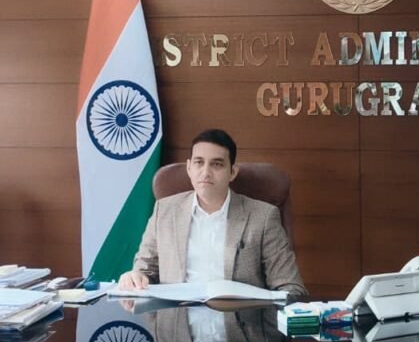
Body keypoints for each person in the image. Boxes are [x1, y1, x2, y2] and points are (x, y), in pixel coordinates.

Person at [118, 129, 307, 301]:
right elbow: (145, 269)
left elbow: (291, 287)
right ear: (189, 168)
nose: (206, 172)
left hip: (241, 321)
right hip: (177, 319)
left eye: (217, 164)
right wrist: (136, 277)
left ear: (232, 172)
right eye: (199, 162)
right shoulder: (165, 211)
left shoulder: (263, 216)